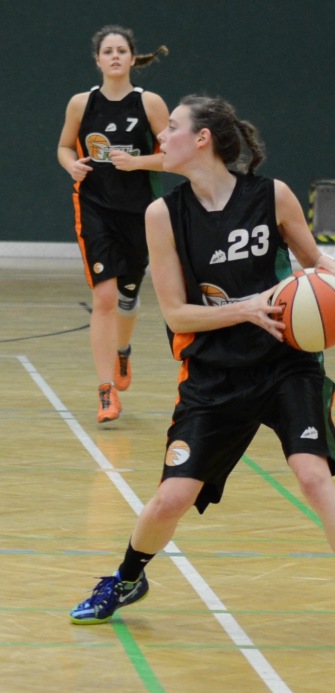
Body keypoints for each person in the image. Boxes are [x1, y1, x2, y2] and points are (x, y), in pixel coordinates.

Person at [69, 95, 335, 655]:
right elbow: (177, 314)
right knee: (171, 498)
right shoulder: (163, 214)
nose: (161, 137)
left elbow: (314, 260)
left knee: (313, 477)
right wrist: (246, 308)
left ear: (202, 139)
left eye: (172, 128)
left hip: (285, 363)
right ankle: (126, 579)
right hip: (214, 373)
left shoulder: (271, 195)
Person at [57, 25, 169, 423]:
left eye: (122, 50)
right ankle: (106, 391)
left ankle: (123, 351)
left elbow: (173, 156)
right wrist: (71, 165)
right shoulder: (81, 104)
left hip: (139, 212)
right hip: (94, 208)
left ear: (132, 58)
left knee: (127, 298)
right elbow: (64, 146)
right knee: (104, 298)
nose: (116, 56)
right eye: (108, 51)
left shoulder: (150, 103)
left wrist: (138, 162)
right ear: (98, 60)